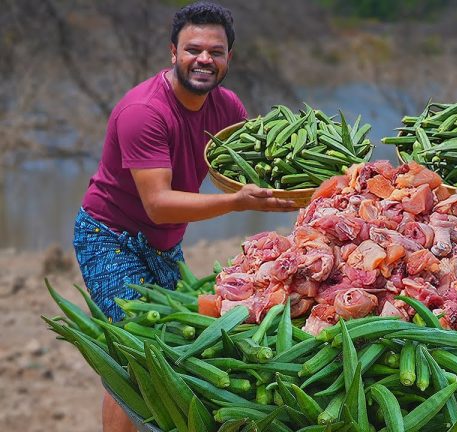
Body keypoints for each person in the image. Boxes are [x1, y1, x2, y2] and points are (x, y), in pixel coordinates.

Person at [72, 2, 293, 431]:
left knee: (177, 340)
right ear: (173, 52)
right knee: (135, 351)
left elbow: (257, 163)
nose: (205, 59)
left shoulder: (227, 108)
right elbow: (159, 203)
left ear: (230, 58)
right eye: (193, 49)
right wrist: (237, 203)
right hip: (110, 237)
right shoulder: (144, 112)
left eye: (216, 51)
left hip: (165, 243)